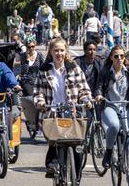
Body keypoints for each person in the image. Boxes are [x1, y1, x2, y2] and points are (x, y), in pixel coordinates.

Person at [33, 37, 92, 180]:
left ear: (66, 52)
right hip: (52, 111)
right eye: (56, 50)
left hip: (72, 111)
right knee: (55, 140)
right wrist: (40, 102)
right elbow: (38, 91)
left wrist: (86, 100)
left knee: (77, 145)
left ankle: (76, 179)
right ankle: (52, 166)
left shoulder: (74, 68)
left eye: (61, 50)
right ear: (51, 52)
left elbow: (84, 89)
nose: (59, 53)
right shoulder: (44, 71)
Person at [94, 45, 129, 174]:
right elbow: (99, 86)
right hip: (110, 105)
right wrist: (99, 95)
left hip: (126, 105)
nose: (119, 59)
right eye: (116, 56)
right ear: (111, 57)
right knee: (114, 126)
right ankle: (109, 151)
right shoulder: (106, 70)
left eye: (122, 56)